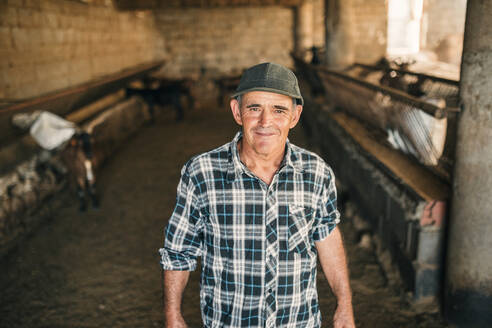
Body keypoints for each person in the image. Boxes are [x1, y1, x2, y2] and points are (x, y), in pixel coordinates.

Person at [159, 62, 355, 328]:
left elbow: (328, 238)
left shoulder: (316, 172)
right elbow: (179, 250)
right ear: (237, 111)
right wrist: (173, 313)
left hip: (298, 322)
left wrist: (344, 304)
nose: (266, 122)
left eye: (279, 110)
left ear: (295, 116)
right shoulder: (201, 173)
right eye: (254, 108)